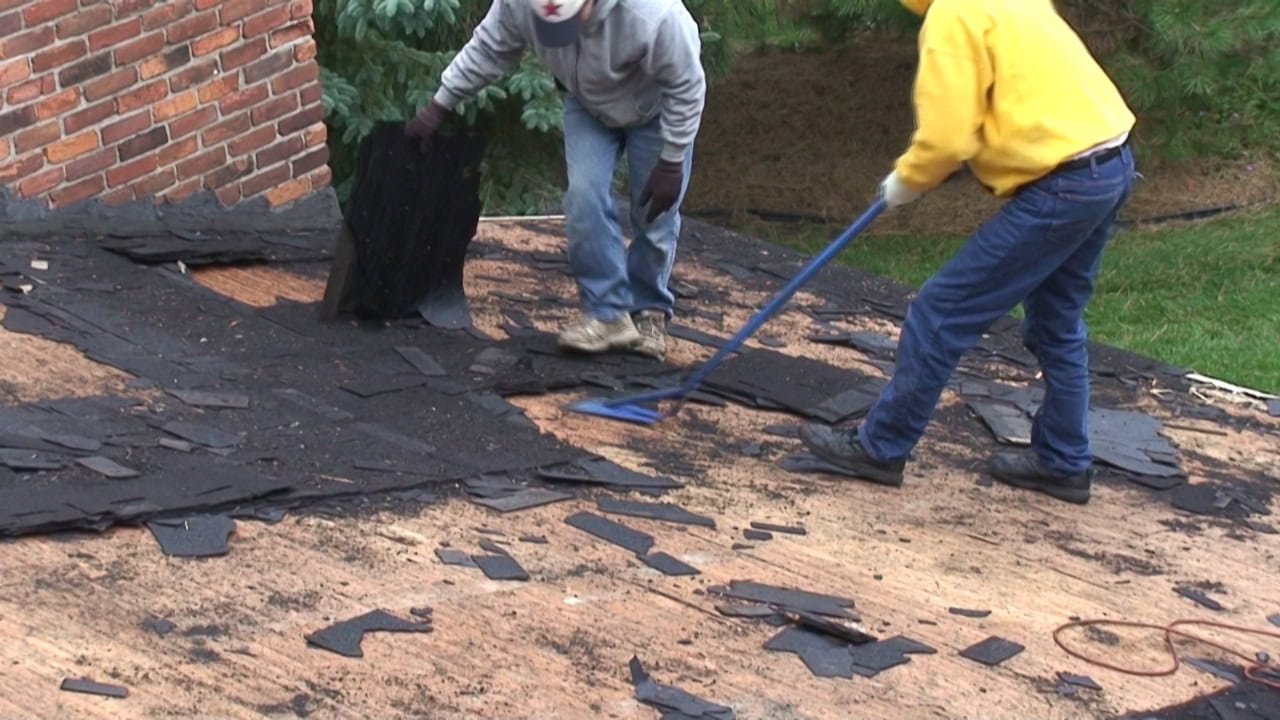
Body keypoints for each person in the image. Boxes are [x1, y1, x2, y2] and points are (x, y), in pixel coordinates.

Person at [799, 0, 1138, 504]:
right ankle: (1064, 461)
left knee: (940, 312)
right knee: (1057, 322)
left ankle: (880, 448)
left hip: (1063, 184)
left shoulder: (952, 15)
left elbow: (947, 138)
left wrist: (905, 182)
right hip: (1109, 164)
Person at [406, 0, 707, 361]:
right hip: (587, 105)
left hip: (656, 109)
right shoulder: (517, 5)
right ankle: (608, 313)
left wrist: (672, 161)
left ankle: (650, 310)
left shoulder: (653, 14)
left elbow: (687, 85)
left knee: (655, 218)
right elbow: (488, 48)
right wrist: (437, 108)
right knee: (583, 198)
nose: (555, 35)